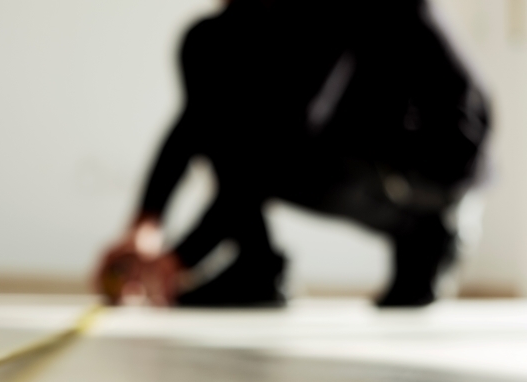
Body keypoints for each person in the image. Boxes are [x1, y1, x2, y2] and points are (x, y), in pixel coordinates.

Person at [95, 0, 489, 308]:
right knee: (209, 45)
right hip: (360, 146)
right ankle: (256, 264)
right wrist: (145, 226)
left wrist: (178, 258)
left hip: (440, 162)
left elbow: (277, 142)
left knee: (255, 111)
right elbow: (198, 118)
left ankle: (429, 233)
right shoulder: (249, 19)